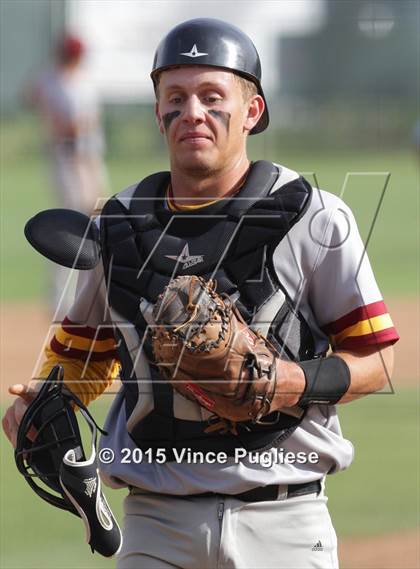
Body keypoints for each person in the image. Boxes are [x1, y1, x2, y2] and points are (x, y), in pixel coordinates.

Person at [3, 18, 399, 569]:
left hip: (284, 522)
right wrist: (41, 405)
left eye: (213, 97)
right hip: (156, 524)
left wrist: (292, 381)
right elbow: (78, 361)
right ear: (157, 110)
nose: (193, 112)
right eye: (177, 97)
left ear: (252, 111)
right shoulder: (117, 226)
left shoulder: (313, 217)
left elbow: (376, 359)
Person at [29, 33, 108, 313]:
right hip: (68, 160)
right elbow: (57, 119)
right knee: (68, 229)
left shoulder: (81, 81)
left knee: (97, 225)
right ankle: (59, 301)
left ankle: (90, 296)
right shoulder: (53, 81)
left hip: (89, 158)